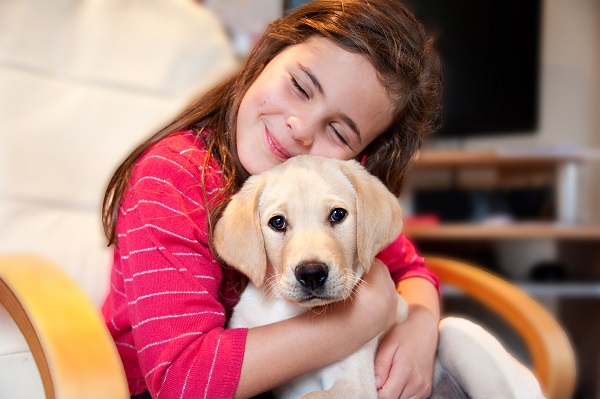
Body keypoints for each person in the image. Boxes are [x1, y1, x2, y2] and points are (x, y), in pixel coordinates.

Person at [101, 0, 443, 398]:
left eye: (340, 132)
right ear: (266, 53)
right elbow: (184, 380)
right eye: (300, 86)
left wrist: (420, 329)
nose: (300, 129)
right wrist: (361, 319)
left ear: (359, 157)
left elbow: (412, 271)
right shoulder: (170, 180)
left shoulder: (325, 188)